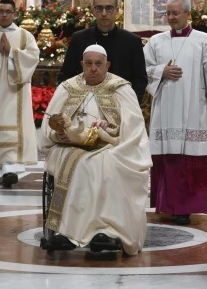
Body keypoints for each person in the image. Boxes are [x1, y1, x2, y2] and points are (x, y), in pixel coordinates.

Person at [39, 45, 151, 255]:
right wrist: (58, 134)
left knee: (105, 165)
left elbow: (134, 128)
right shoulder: (68, 87)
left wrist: (112, 135)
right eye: (88, 63)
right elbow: (49, 125)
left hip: (109, 146)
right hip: (69, 147)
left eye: (98, 64)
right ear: (81, 64)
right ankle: (66, 231)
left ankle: (107, 231)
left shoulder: (120, 88)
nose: (93, 68)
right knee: (77, 163)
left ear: (107, 65)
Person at [144, 0, 207, 225]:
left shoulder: (204, 40)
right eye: (168, 13)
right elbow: (145, 69)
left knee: (191, 158)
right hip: (166, 109)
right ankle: (166, 203)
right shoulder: (156, 42)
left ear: (188, 14)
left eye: (175, 13)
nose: (171, 17)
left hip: (193, 108)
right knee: (167, 158)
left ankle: (186, 207)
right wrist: (162, 72)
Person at [0, 0, 40, 188]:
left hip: (15, 89)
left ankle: (10, 169)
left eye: (8, 11)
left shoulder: (24, 36)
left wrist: (12, 53)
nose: (4, 15)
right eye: (1, 11)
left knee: (14, 126)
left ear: (15, 14)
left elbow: (33, 57)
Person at [58, 0, 147, 102]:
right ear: (93, 11)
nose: (104, 13)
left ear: (117, 10)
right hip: (85, 103)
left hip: (120, 103)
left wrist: (130, 103)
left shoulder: (132, 41)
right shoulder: (79, 39)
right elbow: (66, 75)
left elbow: (140, 79)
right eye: (99, 8)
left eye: (109, 8)